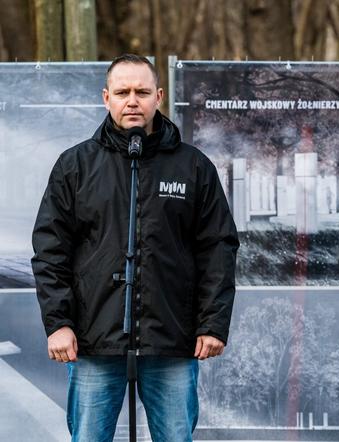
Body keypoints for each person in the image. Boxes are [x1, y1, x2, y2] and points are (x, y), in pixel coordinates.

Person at [32, 54, 239, 442]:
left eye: (142, 92)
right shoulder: (75, 166)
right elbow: (50, 250)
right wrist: (58, 323)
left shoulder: (193, 167)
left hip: (172, 341)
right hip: (94, 340)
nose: (132, 101)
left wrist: (212, 323)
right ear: (106, 97)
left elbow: (218, 249)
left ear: (158, 96)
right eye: (123, 92)